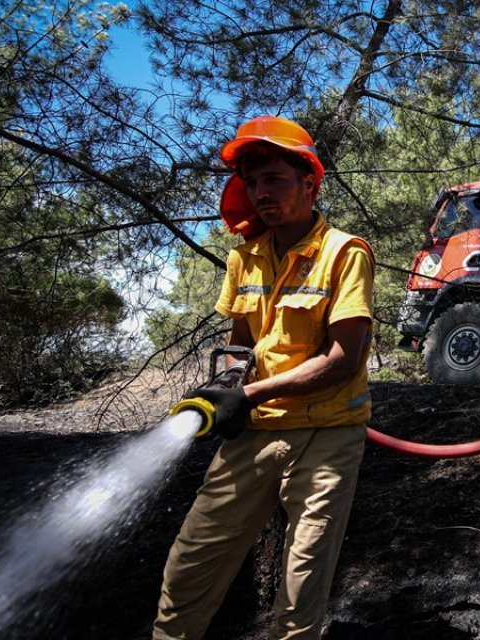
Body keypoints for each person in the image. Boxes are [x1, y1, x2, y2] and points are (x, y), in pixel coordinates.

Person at [153, 115, 376, 639]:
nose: (260, 193)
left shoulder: (345, 253)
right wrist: (227, 389)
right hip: (254, 430)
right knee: (189, 568)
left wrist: (250, 393)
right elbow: (241, 345)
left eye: (274, 179)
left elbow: (344, 357)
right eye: (252, 182)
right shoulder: (245, 257)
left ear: (309, 183)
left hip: (326, 433)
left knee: (301, 591)